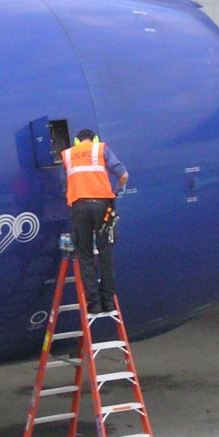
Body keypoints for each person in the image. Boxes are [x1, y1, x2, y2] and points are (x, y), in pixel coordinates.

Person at [61, 128, 129, 315]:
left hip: (79, 207)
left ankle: (93, 303)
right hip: (102, 207)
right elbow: (123, 175)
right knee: (105, 252)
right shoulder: (101, 149)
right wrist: (117, 192)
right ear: (95, 139)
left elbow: (64, 185)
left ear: (76, 141)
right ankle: (108, 301)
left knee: (85, 255)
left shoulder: (67, 155)